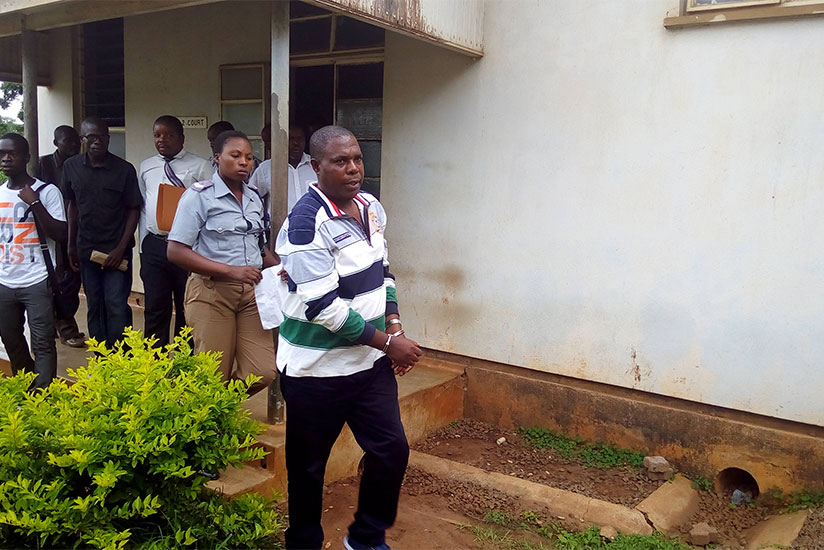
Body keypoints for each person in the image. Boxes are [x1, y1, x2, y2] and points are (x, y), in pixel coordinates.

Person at [275, 125, 422, 550]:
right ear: (316, 167)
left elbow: (383, 272)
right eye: (341, 161)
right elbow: (325, 308)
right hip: (315, 372)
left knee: (391, 451)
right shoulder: (304, 226)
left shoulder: (371, 207)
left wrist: (393, 325)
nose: (354, 168)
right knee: (307, 470)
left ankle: (366, 537)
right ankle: (303, 543)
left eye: (357, 158)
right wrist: (388, 344)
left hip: (368, 366)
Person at [167, 130, 277, 396]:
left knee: (262, 371)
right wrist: (231, 271)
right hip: (211, 292)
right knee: (212, 373)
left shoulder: (253, 197)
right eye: (236, 155)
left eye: (249, 158)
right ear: (217, 158)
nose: (244, 162)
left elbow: (257, 247)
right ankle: (209, 421)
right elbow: (176, 251)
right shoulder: (198, 196)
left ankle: (218, 405)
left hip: (251, 295)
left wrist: (280, 268)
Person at [62, 116, 143, 347]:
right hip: (86, 250)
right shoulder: (71, 167)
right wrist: (71, 245)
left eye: (103, 137)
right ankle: (101, 358)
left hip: (117, 251)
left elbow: (134, 209)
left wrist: (120, 248)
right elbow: (73, 206)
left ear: (109, 139)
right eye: (92, 137)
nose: (98, 142)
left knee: (116, 304)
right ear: (83, 139)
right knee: (95, 304)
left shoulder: (124, 170)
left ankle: (121, 358)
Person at [137, 115, 212, 347]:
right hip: (154, 245)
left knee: (185, 307)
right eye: (158, 135)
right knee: (155, 307)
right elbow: (142, 206)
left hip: (187, 247)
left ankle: (183, 365)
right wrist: (143, 244)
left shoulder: (200, 166)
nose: (162, 140)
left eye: (169, 134)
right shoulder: (146, 166)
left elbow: (210, 206)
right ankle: (155, 365)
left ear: (181, 137)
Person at [0, 133, 67, 390]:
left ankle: (42, 398)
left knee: (42, 342)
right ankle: (26, 390)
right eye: (2, 153)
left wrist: (35, 202)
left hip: (37, 279)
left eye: (12, 153)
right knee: (12, 341)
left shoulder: (47, 191)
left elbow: (60, 234)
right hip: (4, 281)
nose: (6, 158)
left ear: (26, 157)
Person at [38, 125, 85, 348]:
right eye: (68, 141)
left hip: (75, 231)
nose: (74, 145)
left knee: (72, 281)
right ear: (56, 142)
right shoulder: (42, 164)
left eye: (77, 140)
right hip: (52, 232)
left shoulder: (80, 164)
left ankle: (60, 322)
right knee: (59, 281)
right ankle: (66, 328)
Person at [249, 123, 315, 216]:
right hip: (278, 228)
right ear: (282, 140)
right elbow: (251, 199)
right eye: (291, 139)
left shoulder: (315, 166)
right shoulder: (266, 168)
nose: (296, 143)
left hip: (313, 226)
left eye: (300, 139)